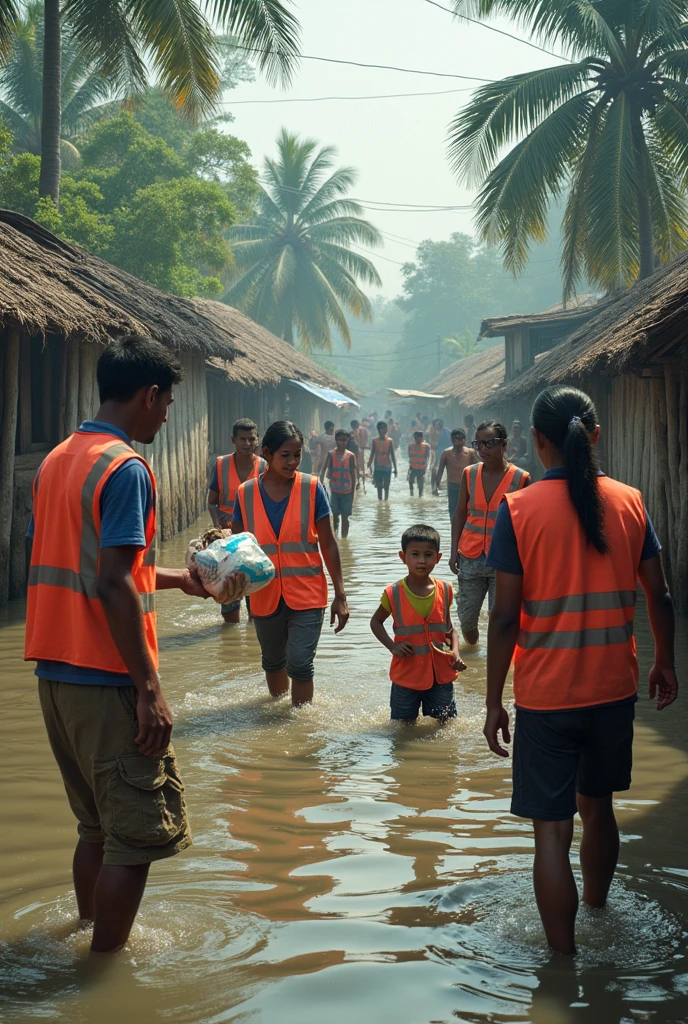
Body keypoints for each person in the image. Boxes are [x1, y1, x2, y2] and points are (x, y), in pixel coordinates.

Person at [24, 334, 209, 953]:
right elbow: (109, 580)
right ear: (149, 395)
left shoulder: (59, 459)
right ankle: (102, 975)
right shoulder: (127, 468)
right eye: (167, 403)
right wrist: (149, 688)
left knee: (93, 827)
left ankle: (84, 933)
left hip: (55, 676)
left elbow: (98, 567)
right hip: (107, 677)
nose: (167, 414)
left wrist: (179, 578)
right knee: (135, 838)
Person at [483, 385, 678, 956]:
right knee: (600, 808)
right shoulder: (630, 501)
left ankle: (562, 963)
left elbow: (503, 619)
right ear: (595, 436)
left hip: (547, 695)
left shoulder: (518, 509)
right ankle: (598, 912)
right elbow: (659, 597)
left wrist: (493, 700)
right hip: (613, 688)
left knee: (552, 830)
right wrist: (665, 661)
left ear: (537, 440)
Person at [233, 421, 349, 705]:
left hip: (308, 593)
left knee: (299, 662)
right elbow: (236, 546)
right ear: (267, 453)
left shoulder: (312, 488)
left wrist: (341, 594)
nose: (293, 462)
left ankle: (300, 726)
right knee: (272, 663)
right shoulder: (245, 493)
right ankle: (278, 729)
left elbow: (329, 543)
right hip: (263, 594)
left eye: (297, 455)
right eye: (285, 455)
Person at [370, 524, 466, 723]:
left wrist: (456, 652)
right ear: (403, 556)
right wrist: (392, 646)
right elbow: (376, 622)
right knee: (403, 727)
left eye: (428, 555)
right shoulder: (393, 593)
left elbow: (450, 630)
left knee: (446, 724)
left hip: (440, 676)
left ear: (438, 558)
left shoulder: (445, 590)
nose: (421, 561)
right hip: (406, 676)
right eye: (415, 554)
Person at [449, 420, 530, 644]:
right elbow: (459, 514)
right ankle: (473, 653)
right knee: (466, 620)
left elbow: (526, 525)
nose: (483, 449)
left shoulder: (521, 478)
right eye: (479, 444)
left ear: (504, 444)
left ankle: (493, 667)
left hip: (504, 559)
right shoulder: (469, 474)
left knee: (500, 618)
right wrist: (453, 550)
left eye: (489, 443)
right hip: (470, 555)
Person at [207, 418, 266, 623]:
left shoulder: (263, 467)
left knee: (255, 605)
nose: (247, 444)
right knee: (229, 604)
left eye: (251, 439)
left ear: (257, 440)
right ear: (233, 440)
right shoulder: (221, 464)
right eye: (242, 439)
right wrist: (217, 525)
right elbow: (212, 502)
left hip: (254, 543)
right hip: (227, 543)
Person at [436, 428, 478, 523]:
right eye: (456, 439)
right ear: (452, 439)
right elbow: (440, 470)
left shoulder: (470, 452)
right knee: (453, 513)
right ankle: (455, 534)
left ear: (464, 439)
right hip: (453, 487)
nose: (458, 441)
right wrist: (436, 486)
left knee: (468, 512)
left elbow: (477, 469)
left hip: (468, 487)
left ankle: (465, 533)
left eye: (461, 439)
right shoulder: (446, 453)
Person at [321, 429, 358, 538]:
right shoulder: (331, 454)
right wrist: (321, 485)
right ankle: (335, 537)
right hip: (335, 491)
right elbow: (323, 470)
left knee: (345, 517)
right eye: (340, 440)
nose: (342, 443)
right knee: (335, 516)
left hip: (347, 492)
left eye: (345, 441)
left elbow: (353, 475)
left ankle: (344, 538)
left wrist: (353, 492)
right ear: (336, 440)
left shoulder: (351, 456)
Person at [368, 420, 398, 501]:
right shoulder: (375, 441)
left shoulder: (390, 441)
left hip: (387, 467)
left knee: (386, 486)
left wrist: (395, 469)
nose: (381, 430)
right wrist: (369, 464)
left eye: (383, 428)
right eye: (380, 428)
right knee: (379, 486)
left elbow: (392, 455)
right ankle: (380, 501)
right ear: (377, 430)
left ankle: (386, 501)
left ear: (386, 430)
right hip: (378, 467)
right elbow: (372, 453)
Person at [431, 419, 453, 494]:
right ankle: (437, 488)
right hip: (444, 455)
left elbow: (444, 447)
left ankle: (435, 489)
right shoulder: (445, 432)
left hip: (445, 455)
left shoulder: (444, 434)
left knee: (435, 471)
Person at [408, 430, 430, 497]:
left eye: (420, 437)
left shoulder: (426, 446)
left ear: (422, 437)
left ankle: (420, 496)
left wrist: (426, 467)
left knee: (420, 483)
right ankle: (411, 493)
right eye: (416, 438)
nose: (418, 439)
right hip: (413, 466)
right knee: (410, 480)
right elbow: (410, 456)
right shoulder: (411, 446)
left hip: (421, 467)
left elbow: (427, 457)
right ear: (414, 438)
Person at [351, 418, 370, 490]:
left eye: (356, 427)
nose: (356, 430)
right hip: (357, 452)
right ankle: (358, 482)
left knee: (363, 468)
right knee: (357, 467)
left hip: (363, 450)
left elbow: (366, 441)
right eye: (354, 428)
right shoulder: (352, 433)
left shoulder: (364, 430)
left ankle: (362, 484)